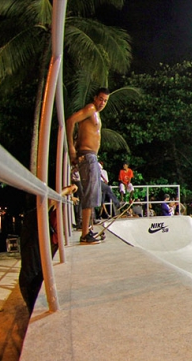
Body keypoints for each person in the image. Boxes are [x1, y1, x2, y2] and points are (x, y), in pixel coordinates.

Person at [65, 87, 110, 244]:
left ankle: (88, 229)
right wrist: (71, 147)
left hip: (91, 157)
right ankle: (85, 234)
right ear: (94, 97)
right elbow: (70, 121)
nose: (102, 103)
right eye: (100, 99)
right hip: (87, 155)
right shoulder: (90, 109)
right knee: (90, 194)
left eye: (105, 101)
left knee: (93, 193)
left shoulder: (96, 115)